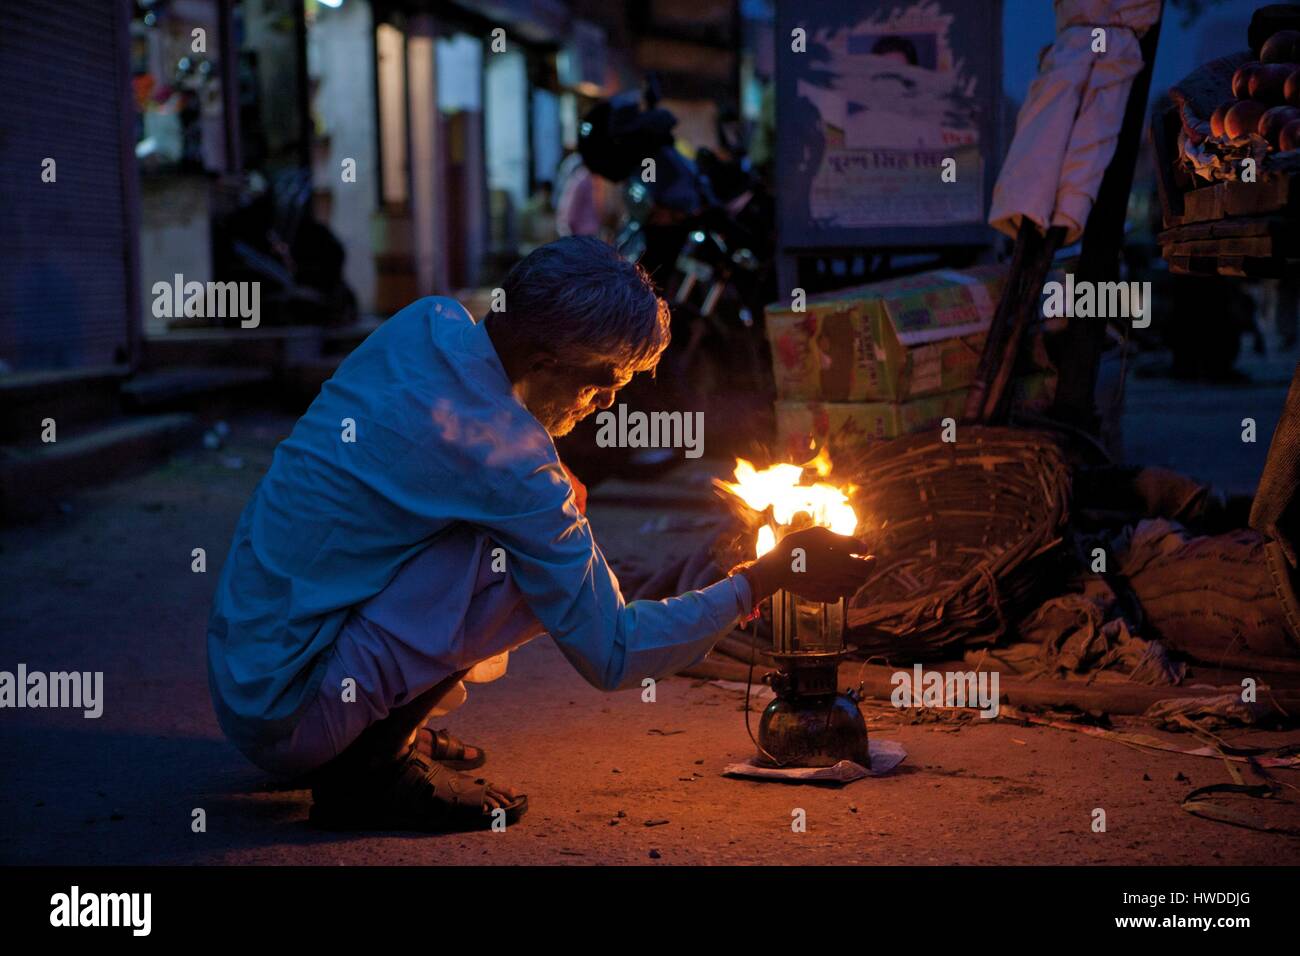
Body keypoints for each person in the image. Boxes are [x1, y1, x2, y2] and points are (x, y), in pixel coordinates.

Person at [206, 236, 872, 832]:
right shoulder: (511, 462)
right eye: (603, 382)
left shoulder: (425, 324)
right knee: (518, 562)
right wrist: (765, 577)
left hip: (247, 675)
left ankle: (376, 734)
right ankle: (369, 773)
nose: (607, 403)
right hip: (291, 717)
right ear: (548, 358)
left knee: (546, 517)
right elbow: (612, 651)